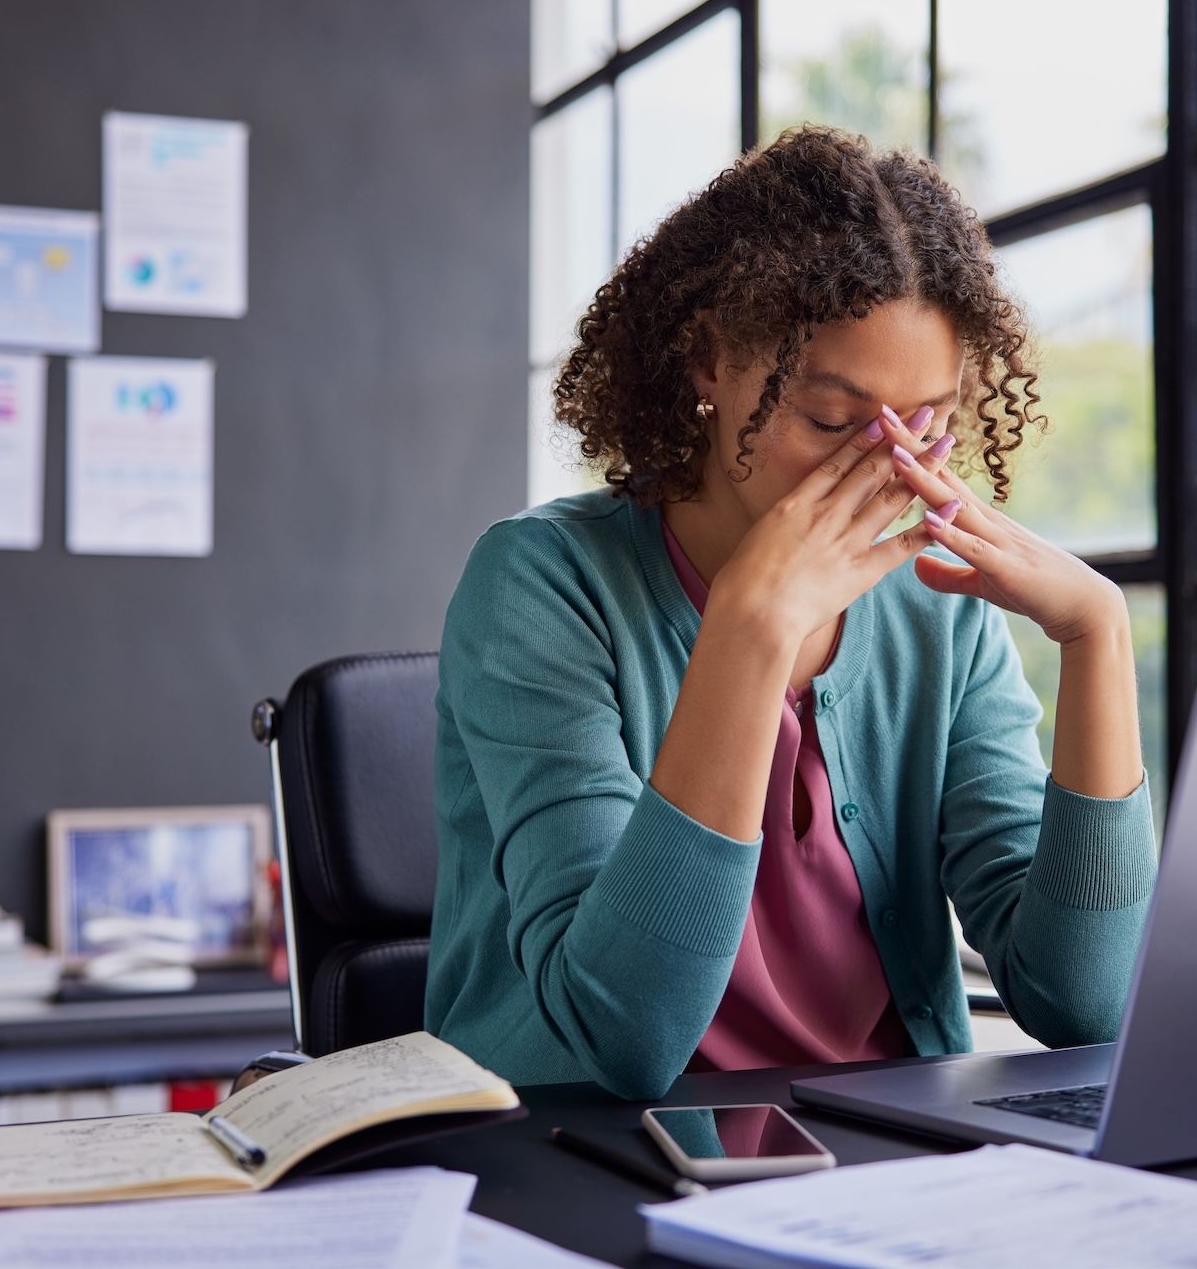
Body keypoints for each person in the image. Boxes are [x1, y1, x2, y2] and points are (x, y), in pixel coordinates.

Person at [426, 126, 1156, 1100]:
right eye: (831, 420)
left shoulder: (938, 610)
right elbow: (622, 1035)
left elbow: (1086, 1001)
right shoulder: (539, 585)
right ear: (708, 365)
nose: (889, 469)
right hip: (595, 1159)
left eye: (926, 424)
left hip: (898, 1163)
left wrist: (1095, 636)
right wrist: (751, 630)